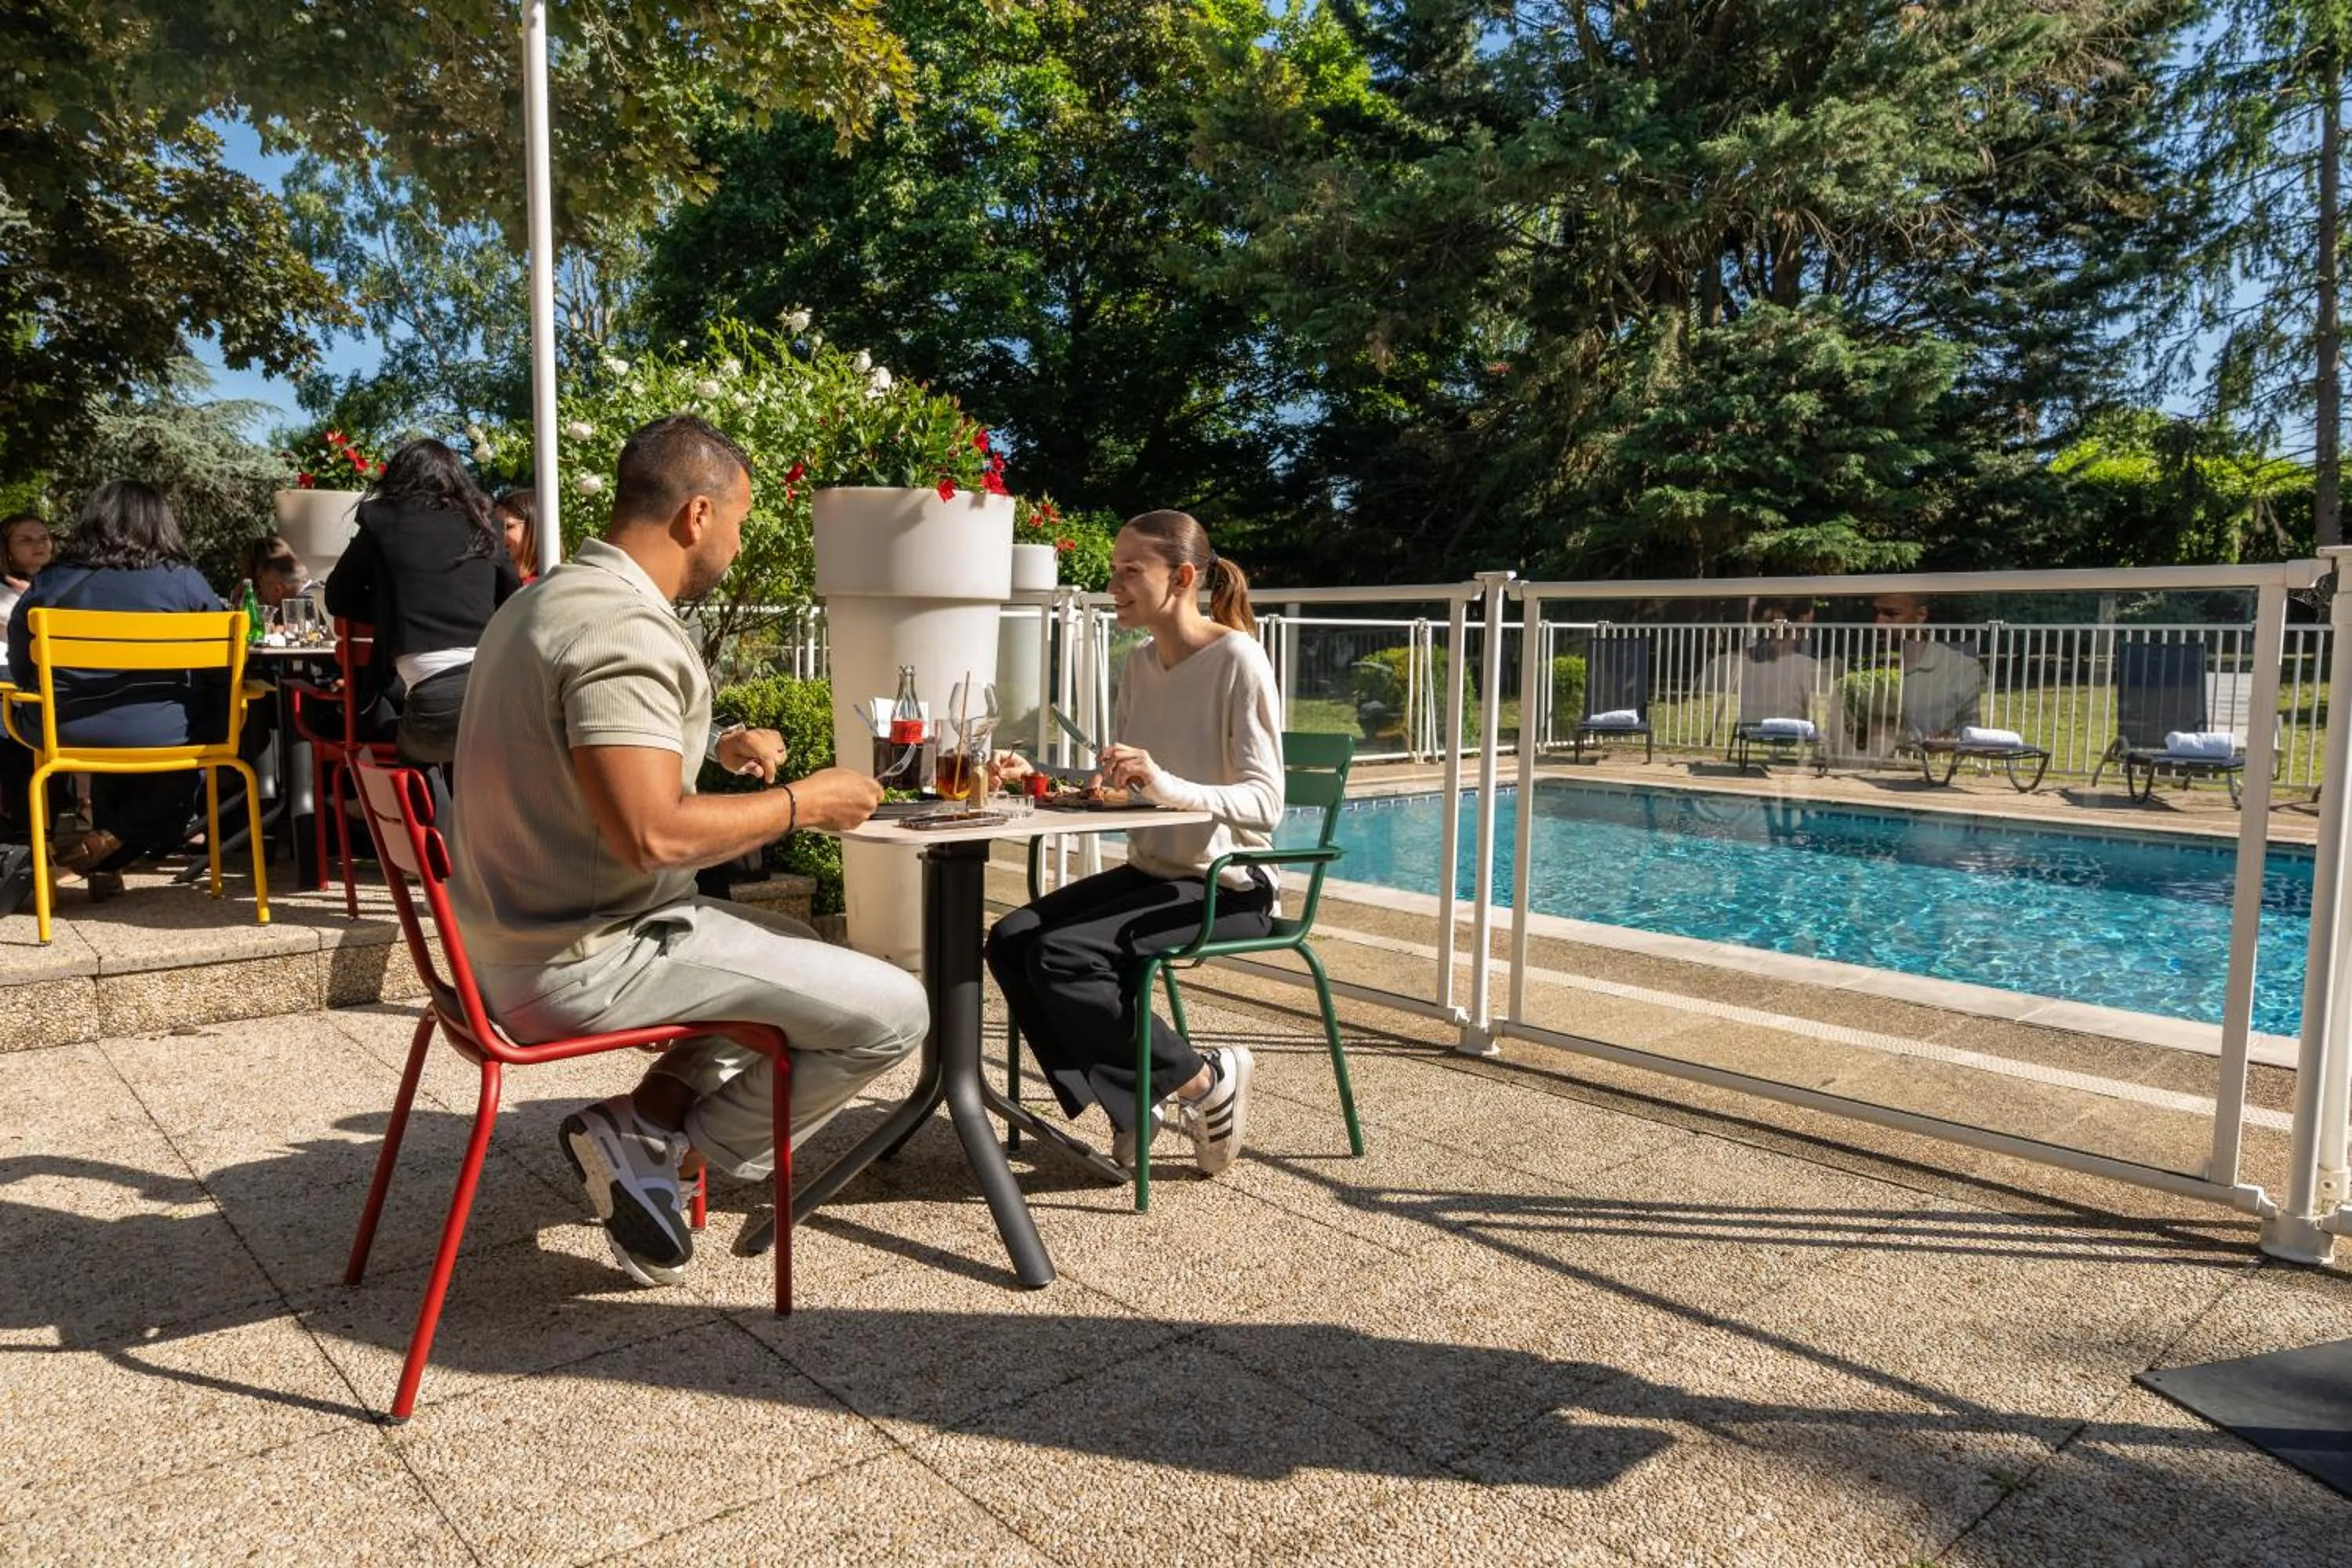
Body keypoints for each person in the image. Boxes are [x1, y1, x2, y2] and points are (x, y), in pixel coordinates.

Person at [445, 413, 927, 1287]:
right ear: (697, 515)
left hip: (498, 945)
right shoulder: (621, 629)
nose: (738, 546)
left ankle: (642, 1118)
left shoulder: (541, 601)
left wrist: (714, 742)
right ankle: (669, 1155)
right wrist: (801, 802)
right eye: (739, 522)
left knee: (801, 962)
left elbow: (571, 750)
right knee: (897, 1014)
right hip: (583, 960)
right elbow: (652, 830)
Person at [984, 510, 1276, 1177]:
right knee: (1011, 940)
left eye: (1129, 572)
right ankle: (1136, 1095)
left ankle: (1201, 1081)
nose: (1113, 584)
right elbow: (1127, 786)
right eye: (1112, 571)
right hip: (1157, 870)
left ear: (1181, 577)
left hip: (1227, 882)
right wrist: (1040, 780)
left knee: (1063, 957)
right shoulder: (1141, 664)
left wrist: (1165, 783)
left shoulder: (1237, 659)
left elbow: (1266, 806)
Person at [3, 482, 230, 899]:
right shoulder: (185, 582)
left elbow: (21, 666)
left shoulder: (53, 581)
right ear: (161, 524)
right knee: (182, 763)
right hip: (165, 732)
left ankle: (92, 855)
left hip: (62, 728)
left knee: (113, 737)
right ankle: (102, 852)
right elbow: (221, 669)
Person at [325, 440, 520, 773]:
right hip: (497, 695)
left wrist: (394, 610)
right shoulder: (484, 523)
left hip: (431, 705)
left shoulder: (381, 520)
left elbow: (338, 596)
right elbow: (511, 597)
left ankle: (417, 817)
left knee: (395, 733)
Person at [0, 512, 55, 836]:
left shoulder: (67, 581)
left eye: (44, 538)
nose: (39, 545)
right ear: (6, 549)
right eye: (26, 539)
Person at [493, 486, 540, 583]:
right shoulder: (495, 581)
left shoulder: (547, 584)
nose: (497, 534)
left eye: (508, 526)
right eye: (495, 527)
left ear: (532, 527)